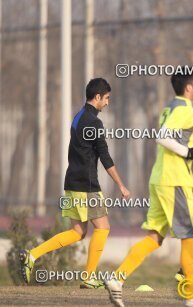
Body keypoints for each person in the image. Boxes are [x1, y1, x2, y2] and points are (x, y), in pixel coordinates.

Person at [104, 74, 193, 307]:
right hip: (175, 180)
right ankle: (192, 297)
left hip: (160, 178)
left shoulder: (171, 107)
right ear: (188, 88)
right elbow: (162, 137)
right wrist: (188, 153)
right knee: (190, 237)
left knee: (155, 237)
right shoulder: (184, 108)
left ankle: (117, 279)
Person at [20, 78, 130, 289]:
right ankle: (89, 277)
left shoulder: (78, 117)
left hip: (71, 182)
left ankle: (32, 255)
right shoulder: (95, 123)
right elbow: (105, 158)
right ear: (97, 97)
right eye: (106, 98)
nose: (107, 103)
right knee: (103, 227)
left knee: (77, 233)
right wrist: (121, 186)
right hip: (86, 186)